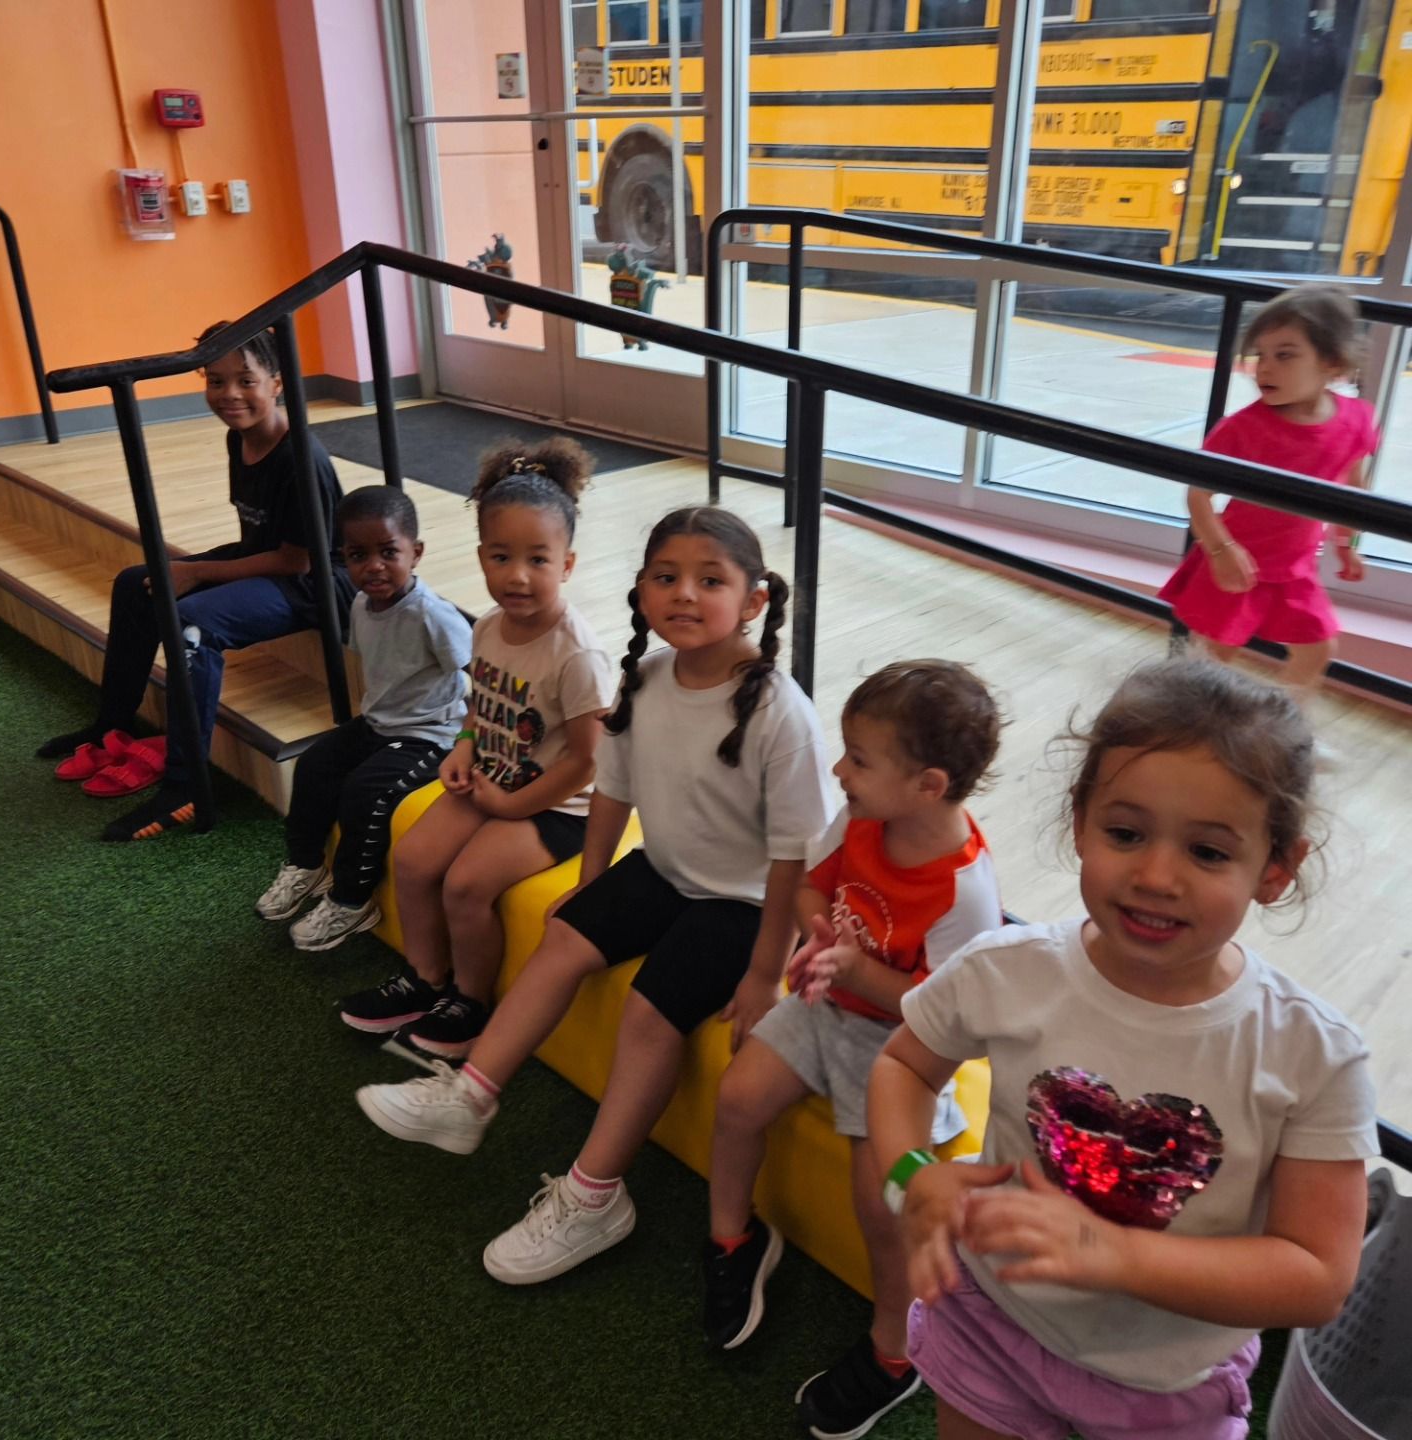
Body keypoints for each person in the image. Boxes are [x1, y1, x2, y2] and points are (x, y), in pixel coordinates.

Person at [869, 659, 1378, 1440]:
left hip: (1168, 1383)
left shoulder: (1313, 1055)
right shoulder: (1006, 970)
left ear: (1276, 869)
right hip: (992, 1323)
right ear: (1080, 823)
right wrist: (912, 1173)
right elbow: (904, 1065)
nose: (1156, 876)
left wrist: (1112, 1255)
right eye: (1126, 833)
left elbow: (1315, 1277)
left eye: (1208, 852)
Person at [355, 506, 835, 1286]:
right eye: (666, 577)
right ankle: (469, 1098)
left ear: (753, 600)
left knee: (650, 1014)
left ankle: (594, 1197)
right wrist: (587, 889)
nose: (684, 594)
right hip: (667, 868)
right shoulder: (644, 679)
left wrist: (762, 974)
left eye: (710, 581)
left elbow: (796, 858)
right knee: (563, 940)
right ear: (641, 591)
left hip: (745, 904)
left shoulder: (781, 712)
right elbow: (611, 792)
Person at [704, 659, 1003, 1438]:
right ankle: (733, 1241)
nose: (839, 770)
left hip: (902, 1051)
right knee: (737, 1100)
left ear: (928, 786)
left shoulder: (966, 890)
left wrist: (855, 965)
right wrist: (818, 934)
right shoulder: (861, 817)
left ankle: (895, 1354)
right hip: (825, 1005)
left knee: (882, 1204)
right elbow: (812, 886)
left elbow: (943, 1017)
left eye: (859, 759)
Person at [335, 439, 615, 1053]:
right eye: (501, 556)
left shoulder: (578, 653)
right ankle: (424, 978)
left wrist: (514, 806)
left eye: (538, 559)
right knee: (411, 860)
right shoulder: (486, 626)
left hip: (555, 806)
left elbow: (589, 761)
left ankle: (470, 1002)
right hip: (489, 778)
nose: (517, 575)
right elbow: (479, 706)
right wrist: (463, 746)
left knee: (465, 885)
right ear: (481, 556)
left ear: (567, 564)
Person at [34, 322, 353, 842]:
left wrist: (200, 573)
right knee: (136, 582)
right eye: (215, 380)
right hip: (270, 558)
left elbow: (298, 562)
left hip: (316, 581)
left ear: (277, 383)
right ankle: (111, 724)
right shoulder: (240, 438)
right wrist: (188, 573)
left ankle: (184, 786)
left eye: (245, 381)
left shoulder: (301, 457)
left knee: (194, 623)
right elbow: (262, 545)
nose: (229, 395)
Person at [253, 486, 472, 951]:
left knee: (366, 792)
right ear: (343, 559)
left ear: (416, 553)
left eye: (388, 552)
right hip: (379, 723)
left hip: (431, 735)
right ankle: (306, 864)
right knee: (313, 765)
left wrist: (472, 737)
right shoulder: (359, 604)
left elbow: (482, 673)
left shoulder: (434, 616)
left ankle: (352, 902)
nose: (373, 566)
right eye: (357, 555)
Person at [1159, 285, 1378, 700]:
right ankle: (1189, 725)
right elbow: (1198, 495)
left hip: (1295, 571)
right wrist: (1221, 551)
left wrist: (1346, 543)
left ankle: (1284, 724)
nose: (1265, 368)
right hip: (1236, 563)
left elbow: (1353, 487)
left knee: (1318, 647)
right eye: (1261, 355)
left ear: (1331, 362)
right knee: (1212, 658)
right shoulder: (1242, 429)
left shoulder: (1354, 421)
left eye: (1285, 354)